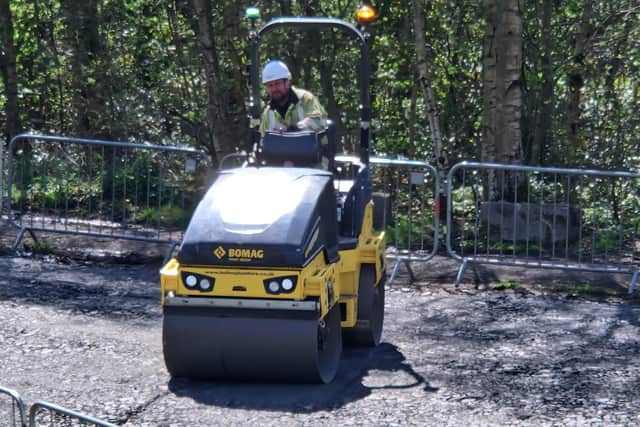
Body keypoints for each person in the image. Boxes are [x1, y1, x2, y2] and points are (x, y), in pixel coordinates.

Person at [259, 60, 328, 137]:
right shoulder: (268, 113)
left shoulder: (305, 99)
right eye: (270, 85)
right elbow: (263, 142)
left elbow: (319, 122)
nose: (274, 88)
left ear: (287, 82)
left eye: (277, 83)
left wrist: (292, 129)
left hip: (311, 148)